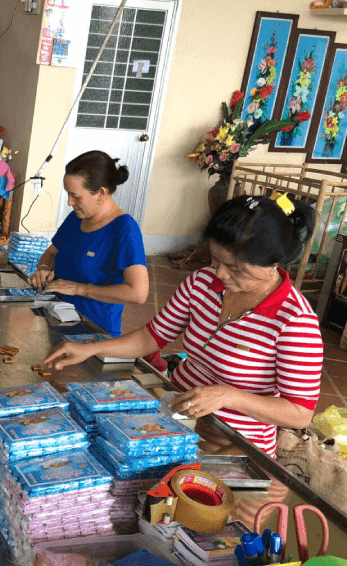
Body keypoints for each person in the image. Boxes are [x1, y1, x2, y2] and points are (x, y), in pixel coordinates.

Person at [44, 194, 324, 458]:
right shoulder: (202, 283)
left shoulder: (294, 321)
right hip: (176, 417)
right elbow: (151, 336)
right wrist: (92, 348)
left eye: (236, 268)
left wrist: (226, 395)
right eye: (216, 260)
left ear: (273, 262)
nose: (221, 274)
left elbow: (299, 412)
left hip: (234, 442)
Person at [28, 150, 148, 337]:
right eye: (68, 194)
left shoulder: (125, 229)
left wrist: (80, 289)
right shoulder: (77, 218)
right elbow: (51, 253)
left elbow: (138, 293)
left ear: (101, 193)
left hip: (93, 331)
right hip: (57, 318)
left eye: (76, 196)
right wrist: (43, 268)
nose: (69, 202)